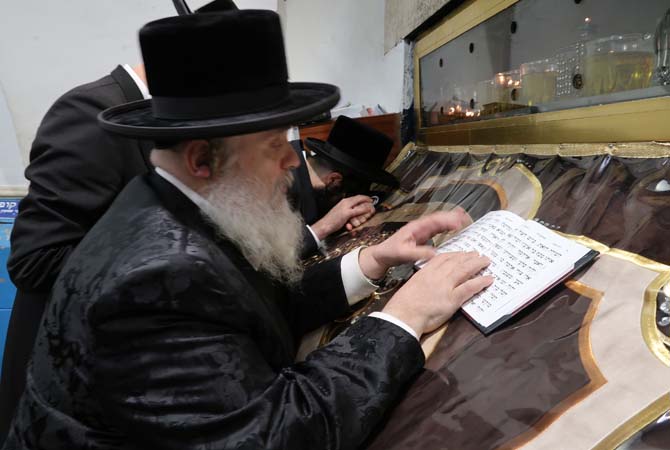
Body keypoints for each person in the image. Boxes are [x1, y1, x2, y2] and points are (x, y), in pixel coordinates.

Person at [2, 11, 492, 449]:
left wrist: (371, 261)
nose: (291, 162)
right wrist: (404, 317)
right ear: (202, 160)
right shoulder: (153, 280)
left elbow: (255, 306)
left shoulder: (172, 201)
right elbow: (278, 434)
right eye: (273, 144)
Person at [0, 0, 237, 442]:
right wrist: (179, 259)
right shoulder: (91, 112)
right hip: (59, 386)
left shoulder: (159, 118)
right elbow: (35, 260)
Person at [290, 117, 399, 257]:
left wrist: (357, 209)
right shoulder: (280, 184)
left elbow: (373, 195)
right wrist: (325, 225)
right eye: (347, 196)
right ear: (334, 180)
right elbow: (272, 259)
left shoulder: (310, 180)